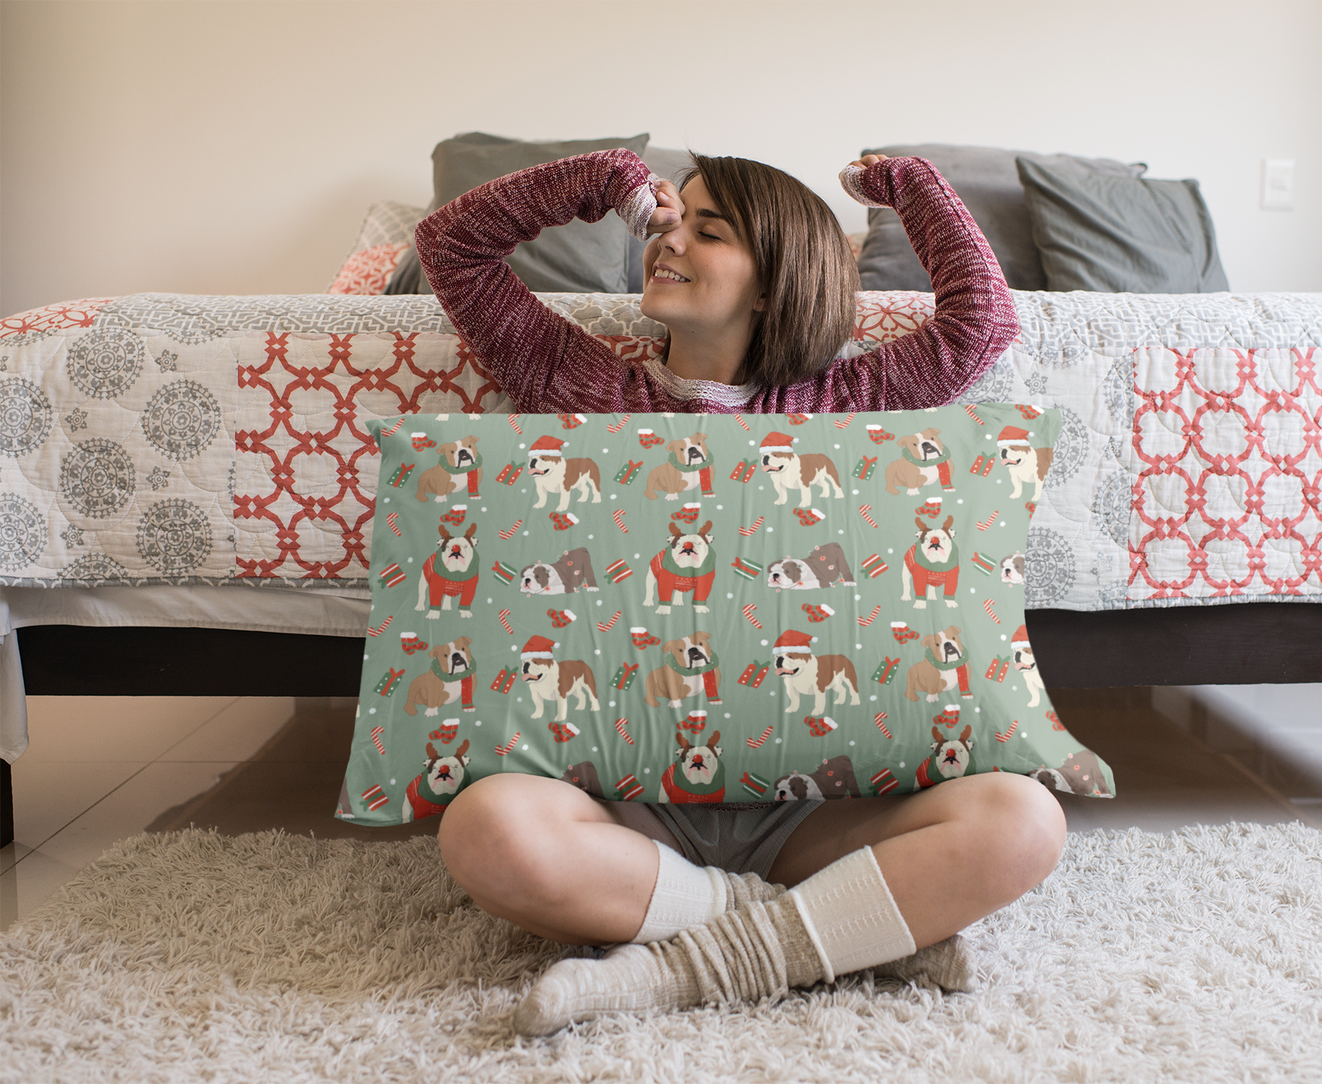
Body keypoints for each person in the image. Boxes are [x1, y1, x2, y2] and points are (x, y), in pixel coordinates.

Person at [415, 148, 1067, 1036]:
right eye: (667, 218)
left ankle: (663, 971)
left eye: (706, 228)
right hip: (624, 801)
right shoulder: (582, 384)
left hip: (813, 807)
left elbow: (983, 321)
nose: (664, 237)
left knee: (1023, 818)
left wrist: (908, 187)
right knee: (483, 829)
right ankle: (847, 933)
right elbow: (451, 246)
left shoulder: (851, 399)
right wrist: (593, 184)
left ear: (773, 283)